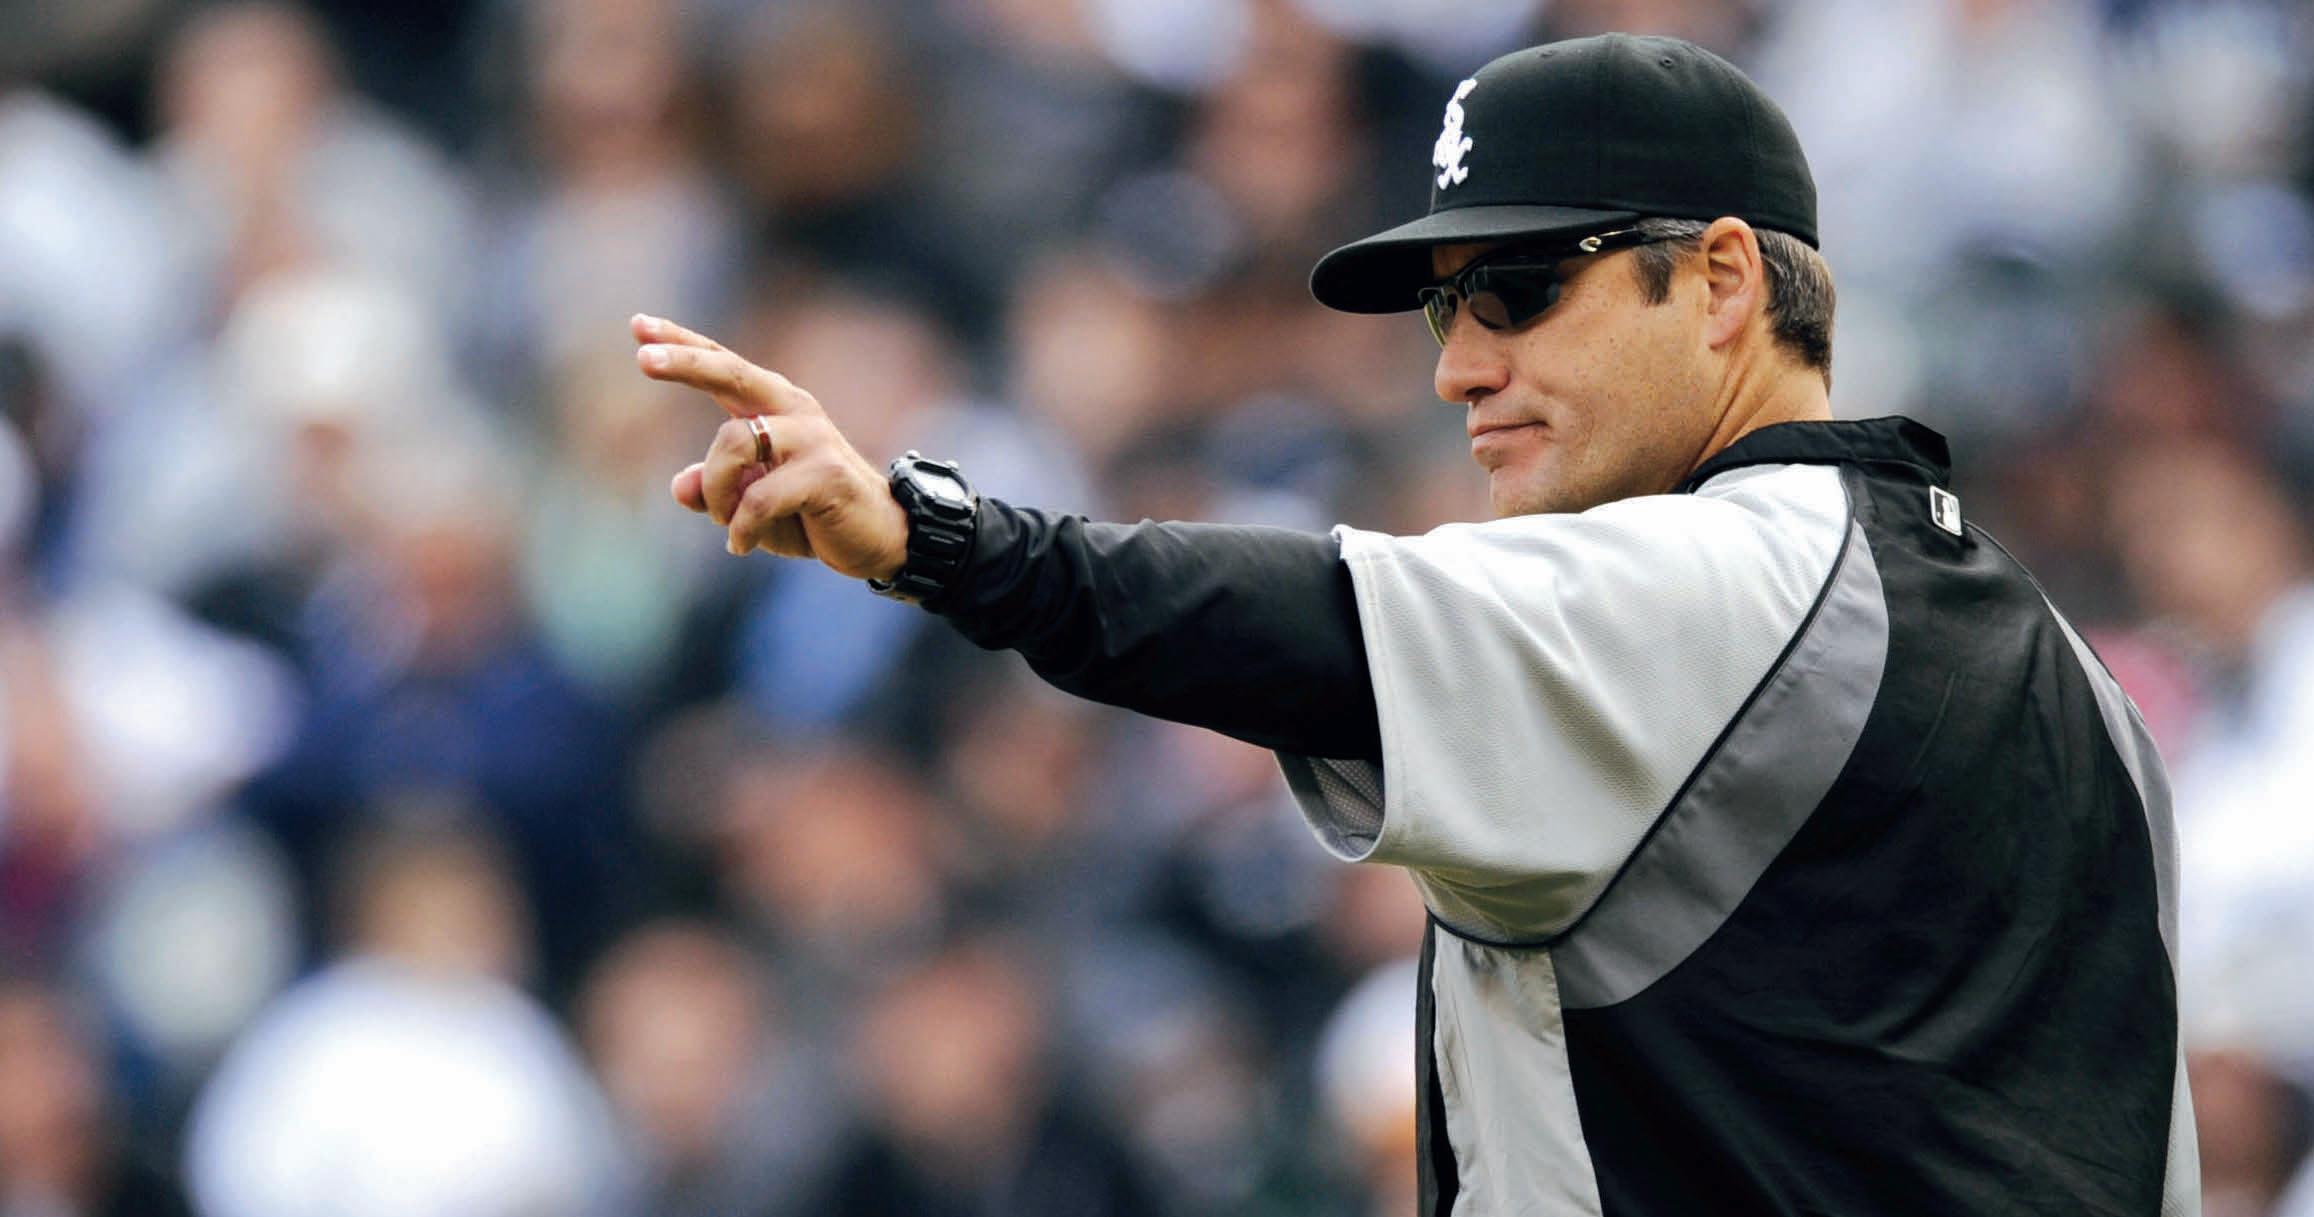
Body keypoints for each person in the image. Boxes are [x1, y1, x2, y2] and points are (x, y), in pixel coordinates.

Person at [636, 32, 2196, 1217]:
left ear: (1722, 281)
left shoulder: (1724, 582)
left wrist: (931, 536)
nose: (1455, 366)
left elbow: (1302, 621)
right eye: (1448, 307)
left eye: (1514, 289)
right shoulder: (2075, 680)